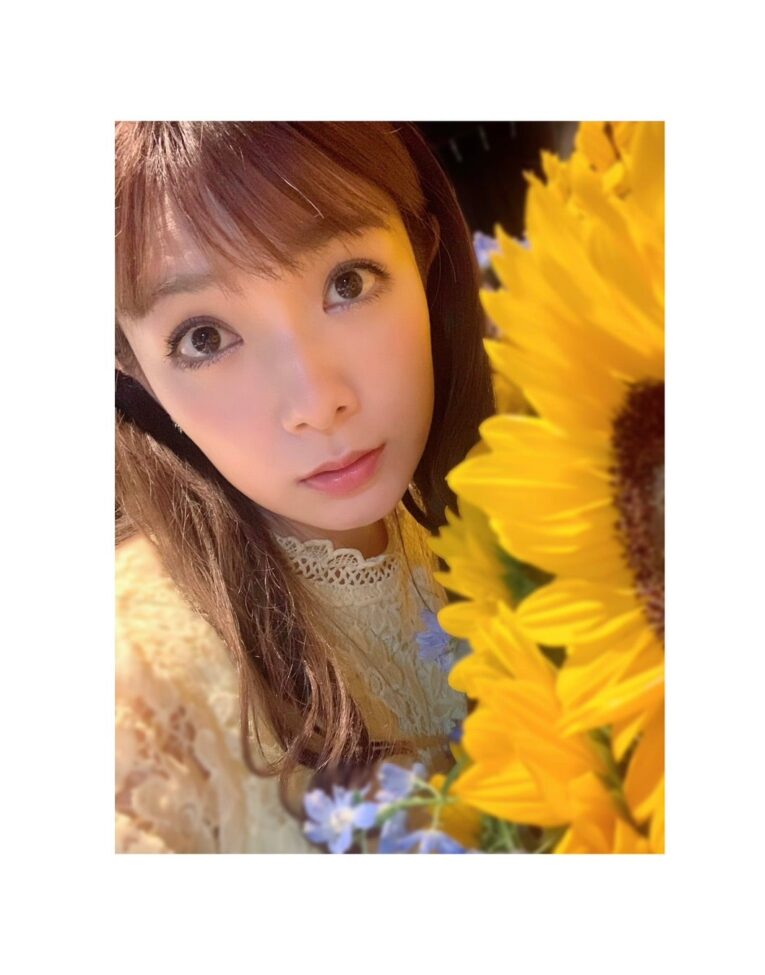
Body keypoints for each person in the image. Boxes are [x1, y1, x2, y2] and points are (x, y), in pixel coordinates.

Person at [115, 122, 495, 853]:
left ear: (423, 255)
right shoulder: (141, 688)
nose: (317, 404)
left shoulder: (531, 509)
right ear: (134, 369)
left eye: (347, 283)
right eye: (203, 337)